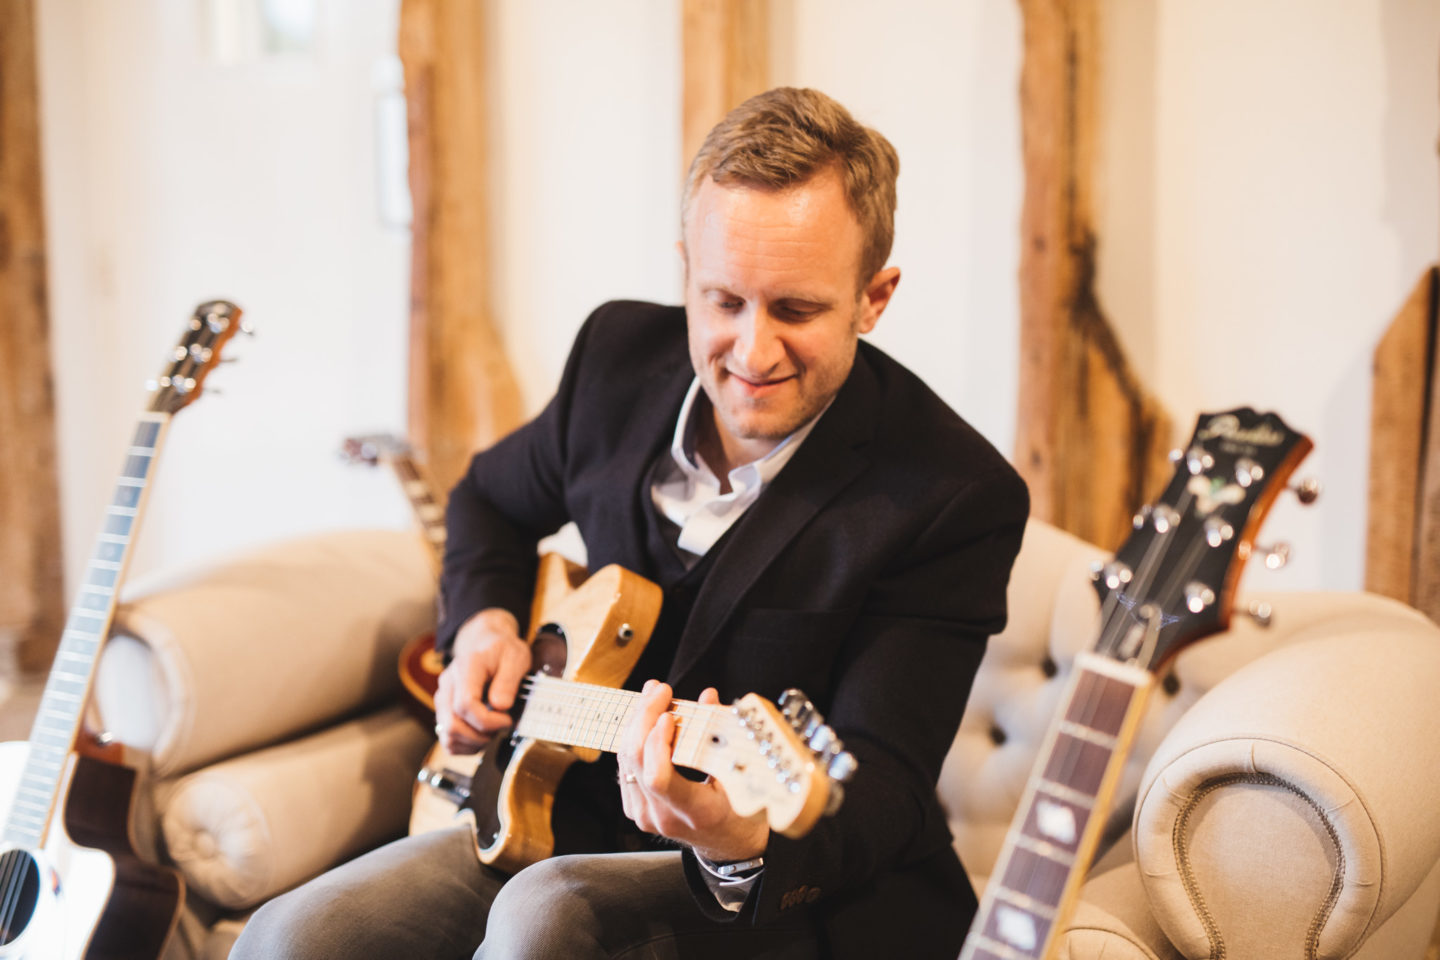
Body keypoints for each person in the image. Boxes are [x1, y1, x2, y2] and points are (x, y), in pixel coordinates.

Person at [231, 86, 1028, 960]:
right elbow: (488, 501)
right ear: (686, 267)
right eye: (723, 301)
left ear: (874, 298)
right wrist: (483, 627)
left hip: (783, 898)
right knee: (290, 934)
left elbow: (883, 788)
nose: (753, 354)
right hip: (546, 825)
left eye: (796, 310)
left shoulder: (952, 494)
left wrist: (735, 839)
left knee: (546, 919)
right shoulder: (616, 358)